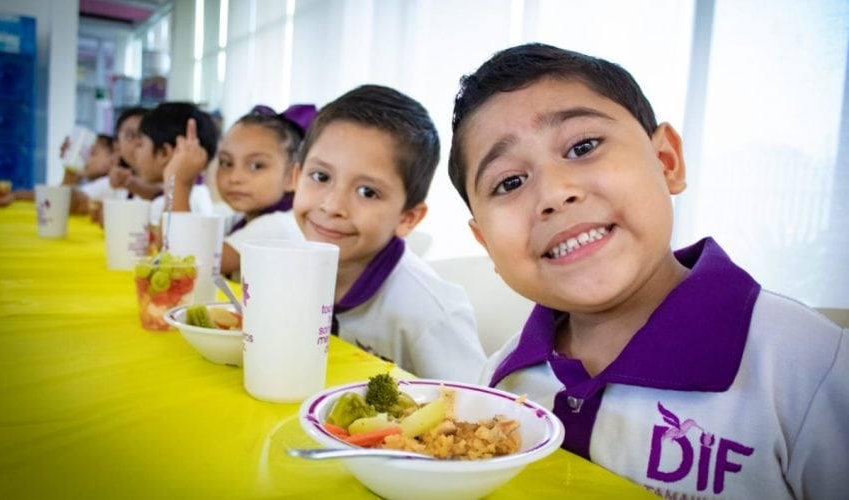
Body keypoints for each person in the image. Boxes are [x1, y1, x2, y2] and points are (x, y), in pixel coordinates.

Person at [447, 43, 848, 499]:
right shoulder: (501, 378)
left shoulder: (809, 369)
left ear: (666, 162)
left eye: (583, 146)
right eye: (510, 182)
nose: (555, 194)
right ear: (486, 245)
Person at [292, 84, 486, 383]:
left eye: (367, 192)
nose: (332, 206)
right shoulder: (293, 266)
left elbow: (474, 409)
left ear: (408, 218)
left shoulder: (428, 315)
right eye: (321, 177)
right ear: (296, 177)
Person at [166, 104, 316, 277]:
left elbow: (185, 262)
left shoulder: (277, 226)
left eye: (256, 166)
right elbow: (167, 247)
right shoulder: (237, 217)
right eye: (226, 163)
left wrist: (179, 184)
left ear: (292, 177)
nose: (235, 177)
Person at [134, 102, 218, 239]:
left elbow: (170, 253)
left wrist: (177, 181)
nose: (135, 152)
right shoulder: (200, 194)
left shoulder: (168, 203)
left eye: (140, 144)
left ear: (164, 152)